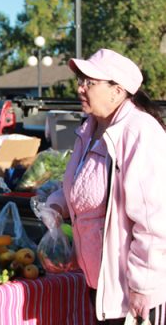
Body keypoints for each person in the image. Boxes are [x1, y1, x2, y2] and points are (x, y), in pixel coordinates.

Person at [46, 49, 166, 324]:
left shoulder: (139, 132)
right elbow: (86, 186)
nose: (80, 88)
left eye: (90, 82)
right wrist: (56, 204)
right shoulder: (89, 129)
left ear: (117, 91)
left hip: (132, 292)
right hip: (100, 281)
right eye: (80, 80)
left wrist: (143, 287)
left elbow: (154, 220)